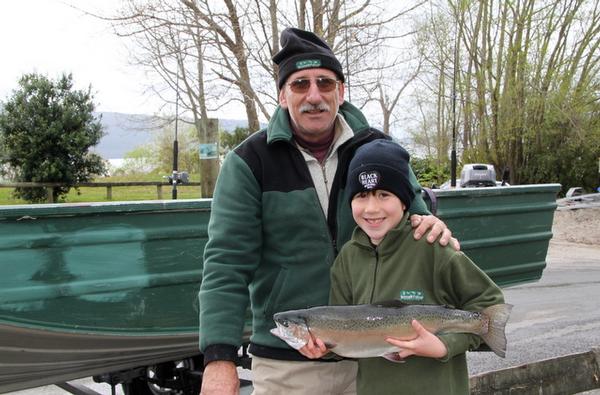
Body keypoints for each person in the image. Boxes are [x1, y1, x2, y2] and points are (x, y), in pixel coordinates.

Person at [198, 27, 458, 395]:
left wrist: (431, 225)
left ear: (341, 90)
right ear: (282, 96)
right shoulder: (248, 163)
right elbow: (225, 265)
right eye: (300, 84)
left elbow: (417, 228)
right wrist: (219, 359)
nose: (314, 95)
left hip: (382, 361)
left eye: (324, 82)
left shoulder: (380, 149)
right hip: (288, 367)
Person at [299, 139, 506, 394]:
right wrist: (323, 349)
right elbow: (345, 335)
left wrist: (444, 346)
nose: (372, 208)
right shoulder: (347, 259)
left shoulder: (433, 246)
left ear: (405, 202)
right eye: (361, 196)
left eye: (384, 195)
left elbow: (487, 303)